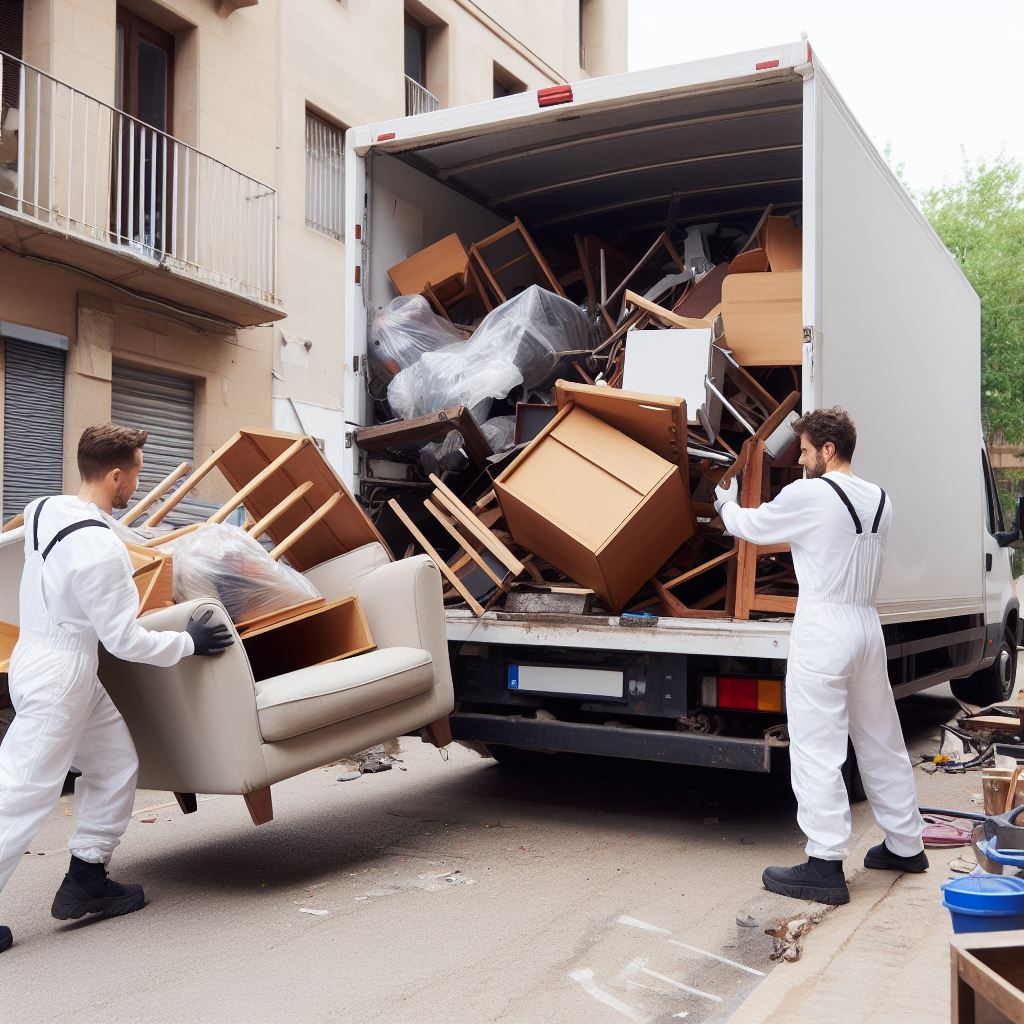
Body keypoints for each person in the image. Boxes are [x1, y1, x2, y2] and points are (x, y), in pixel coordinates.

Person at [0, 424, 233, 954]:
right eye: (136, 473)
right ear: (114, 476)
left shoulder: (44, 509)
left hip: (38, 658)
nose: (137, 482)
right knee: (21, 791)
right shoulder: (102, 552)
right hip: (63, 674)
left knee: (114, 763)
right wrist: (189, 643)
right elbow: (124, 640)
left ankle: (87, 878)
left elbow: (72, 531)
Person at [714, 407, 926, 906]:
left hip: (824, 627)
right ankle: (906, 845)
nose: (801, 459)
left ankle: (824, 865)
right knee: (881, 740)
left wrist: (726, 504)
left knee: (817, 747)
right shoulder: (881, 499)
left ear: (828, 450)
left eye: (806, 450)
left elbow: (753, 526)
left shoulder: (810, 494)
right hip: (866, 626)